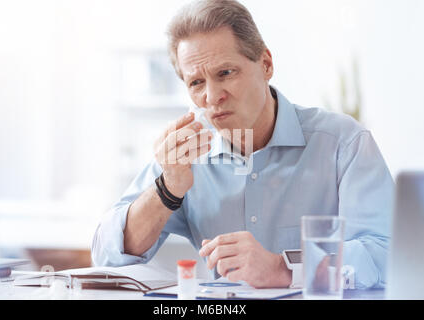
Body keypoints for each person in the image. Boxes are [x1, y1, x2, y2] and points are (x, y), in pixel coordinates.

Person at [91, 0, 393, 289]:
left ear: (265, 64)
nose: (212, 96)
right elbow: (108, 257)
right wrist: (167, 190)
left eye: (225, 73)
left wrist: (282, 268)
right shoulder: (186, 156)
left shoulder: (344, 143)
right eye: (196, 83)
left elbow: (388, 255)